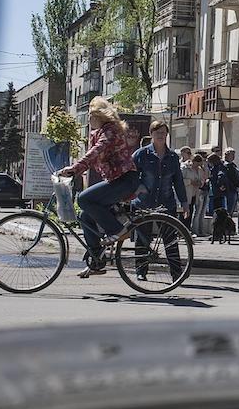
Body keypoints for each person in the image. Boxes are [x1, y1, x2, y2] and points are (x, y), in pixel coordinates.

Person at [57, 96, 140, 278]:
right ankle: (97, 261)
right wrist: (76, 170)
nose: (88, 119)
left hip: (125, 179)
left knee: (84, 199)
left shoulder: (110, 131)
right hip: (117, 180)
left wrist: (74, 168)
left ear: (99, 115)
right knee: (85, 216)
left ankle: (118, 231)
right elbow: (92, 155)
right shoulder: (101, 131)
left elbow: (97, 152)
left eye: (90, 115)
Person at [129, 121, 188, 280]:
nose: (160, 135)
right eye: (157, 133)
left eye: (163, 133)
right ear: (151, 134)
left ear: (167, 134)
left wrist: (184, 202)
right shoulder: (141, 154)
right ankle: (141, 272)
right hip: (144, 203)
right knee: (143, 240)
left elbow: (178, 181)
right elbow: (130, 176)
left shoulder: (173, 157)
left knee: (170, 240)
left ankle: (176, 274)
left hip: (166, 204)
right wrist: (137, 188)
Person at [222, 148, 239, 222]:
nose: (233, 156)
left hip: (234, 189)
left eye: (234, 155)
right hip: (229, 190)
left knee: (231, 210)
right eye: (231, 155)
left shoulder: (233, 166)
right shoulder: (226, 166)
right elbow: (231, 178)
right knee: (228, 210)